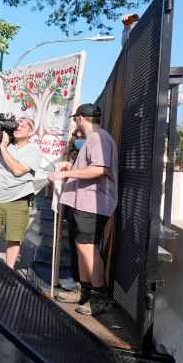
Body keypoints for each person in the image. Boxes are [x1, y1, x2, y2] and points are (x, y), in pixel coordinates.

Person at [49, 103, 118, 316]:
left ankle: (99, 296)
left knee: (87, 246)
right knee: (81, 246)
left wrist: (64, 175)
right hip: (84, 202)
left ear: (80, 118)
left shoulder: (98, 137)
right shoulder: (95, 138)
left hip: (93, 203)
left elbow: (99, 169)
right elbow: (91, 167)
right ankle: (85, 290)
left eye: (75, 119)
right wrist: (70, 167)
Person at [0, 117, 43, 268]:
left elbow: (18, 170)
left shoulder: (33, 150)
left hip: (17, 200)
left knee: (13, 240)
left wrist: (2, 148)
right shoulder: (2, 145)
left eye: (22, 125)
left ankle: (9, 271)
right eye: (16, 124)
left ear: (30, 131)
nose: (18, 127)